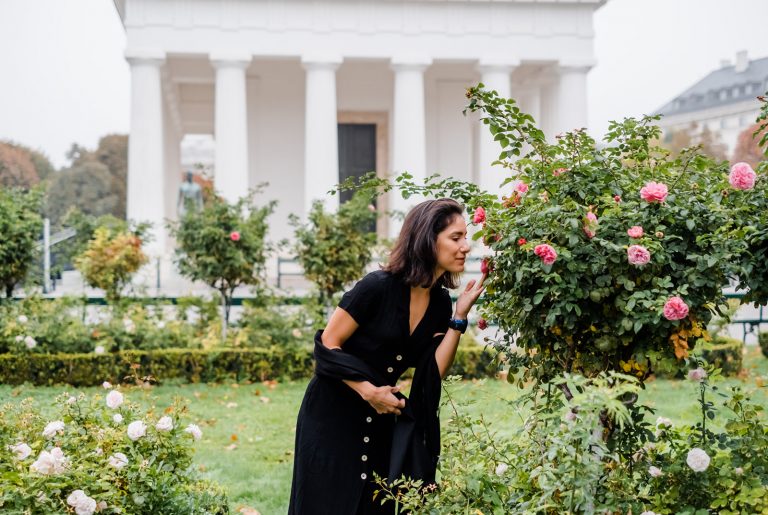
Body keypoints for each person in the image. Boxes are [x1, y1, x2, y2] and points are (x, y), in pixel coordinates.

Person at [288, 198, 487, 515]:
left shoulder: (439, 304)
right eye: (456, 237)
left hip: (381, 416)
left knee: (374, 502)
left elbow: (433, 370)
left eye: (466, 237)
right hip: (334, 411)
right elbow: (327, 344)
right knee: (328, 502)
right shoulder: (376, 287)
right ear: (426, 238)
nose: (466, 246)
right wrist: (368, 391)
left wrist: (459, 318)